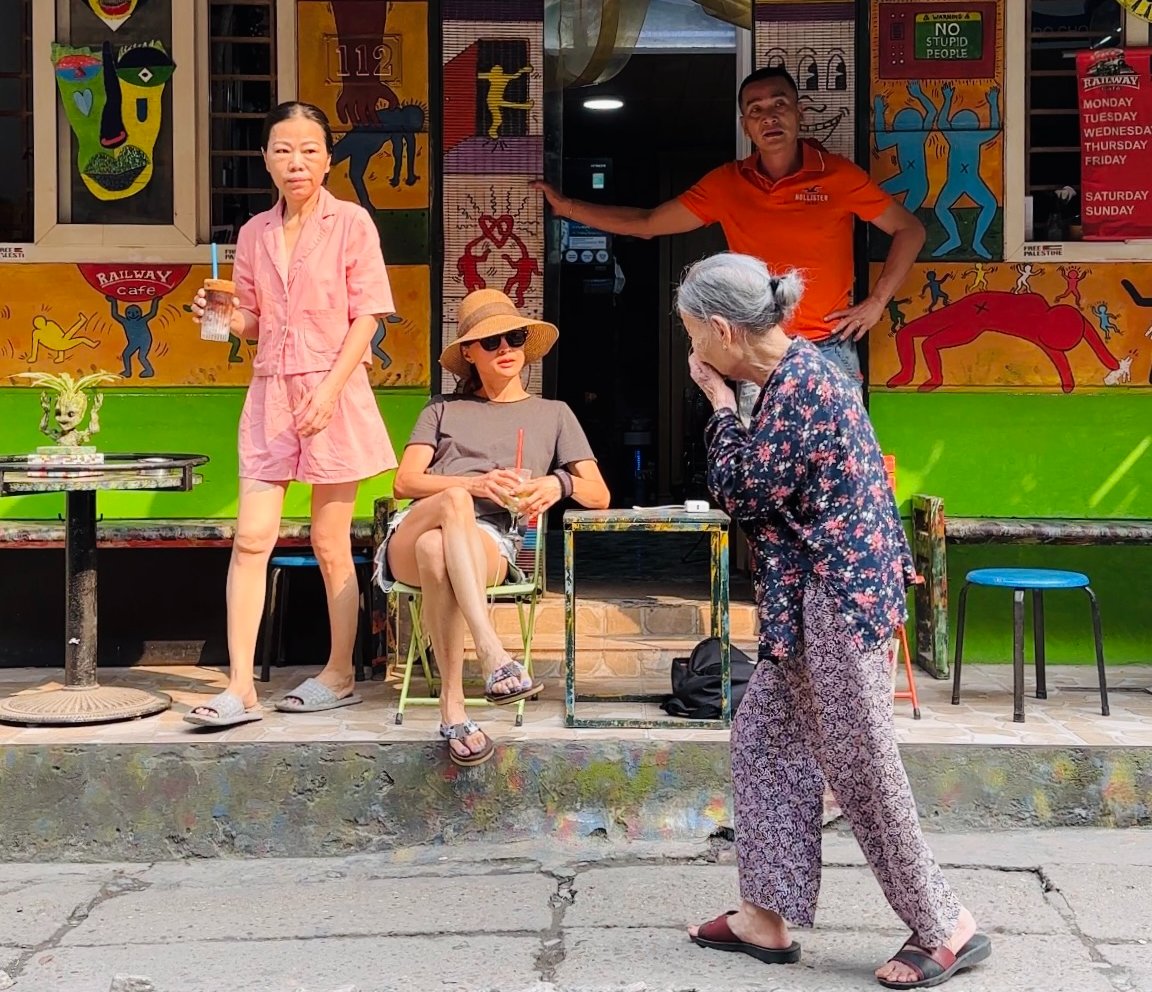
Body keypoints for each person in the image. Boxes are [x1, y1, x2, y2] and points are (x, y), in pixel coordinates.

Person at [677, 252, 991, 990]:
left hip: (839, 597)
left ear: (722, 331)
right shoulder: (795, 377)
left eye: (693, 335)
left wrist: (719, 408)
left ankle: (945, 924)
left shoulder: (800, 387)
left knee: (860, 764)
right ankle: (766, 913)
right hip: (816, 593)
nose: (692, 351)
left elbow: (742, 490)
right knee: (762, 740)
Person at [185, 101, 398, 727]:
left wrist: (330, 390)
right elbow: (250, 322)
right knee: (251, 539)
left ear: (328, 158)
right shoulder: (252, 234)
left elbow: (368, 316)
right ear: (266, 160)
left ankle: (339, 673)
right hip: (270, 393)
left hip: (335, 389)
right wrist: (218, 318)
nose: (296, 161)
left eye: (308, 149)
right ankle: (241, 686)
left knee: (332, 541)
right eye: (282, 150)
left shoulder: (353, 223)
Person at [532, 66, 925, 382]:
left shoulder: (838, 175)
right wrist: (567, 207)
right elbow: (648, 222)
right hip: (757, 346)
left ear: (799, 111)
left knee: (837, 468)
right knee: (759, 472)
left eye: (779, 104)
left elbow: (911, 230)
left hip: (829, 345)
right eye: (755, 110)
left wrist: (876, 303)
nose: (768, 116)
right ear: (745, 126)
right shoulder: (726, 184)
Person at [377, 289, 610, 767]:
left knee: (437, 552)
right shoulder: (441, 408)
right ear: (468, 353)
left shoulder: (553, 414)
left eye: (514, 337)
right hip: (416, 524)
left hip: (482, 545)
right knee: (453, 503)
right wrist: (475, 483)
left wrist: (559, 481)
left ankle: (454, 712)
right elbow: (404, 482)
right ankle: (490, 651)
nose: (505, 348)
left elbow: (599, 494)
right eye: (490, 342)